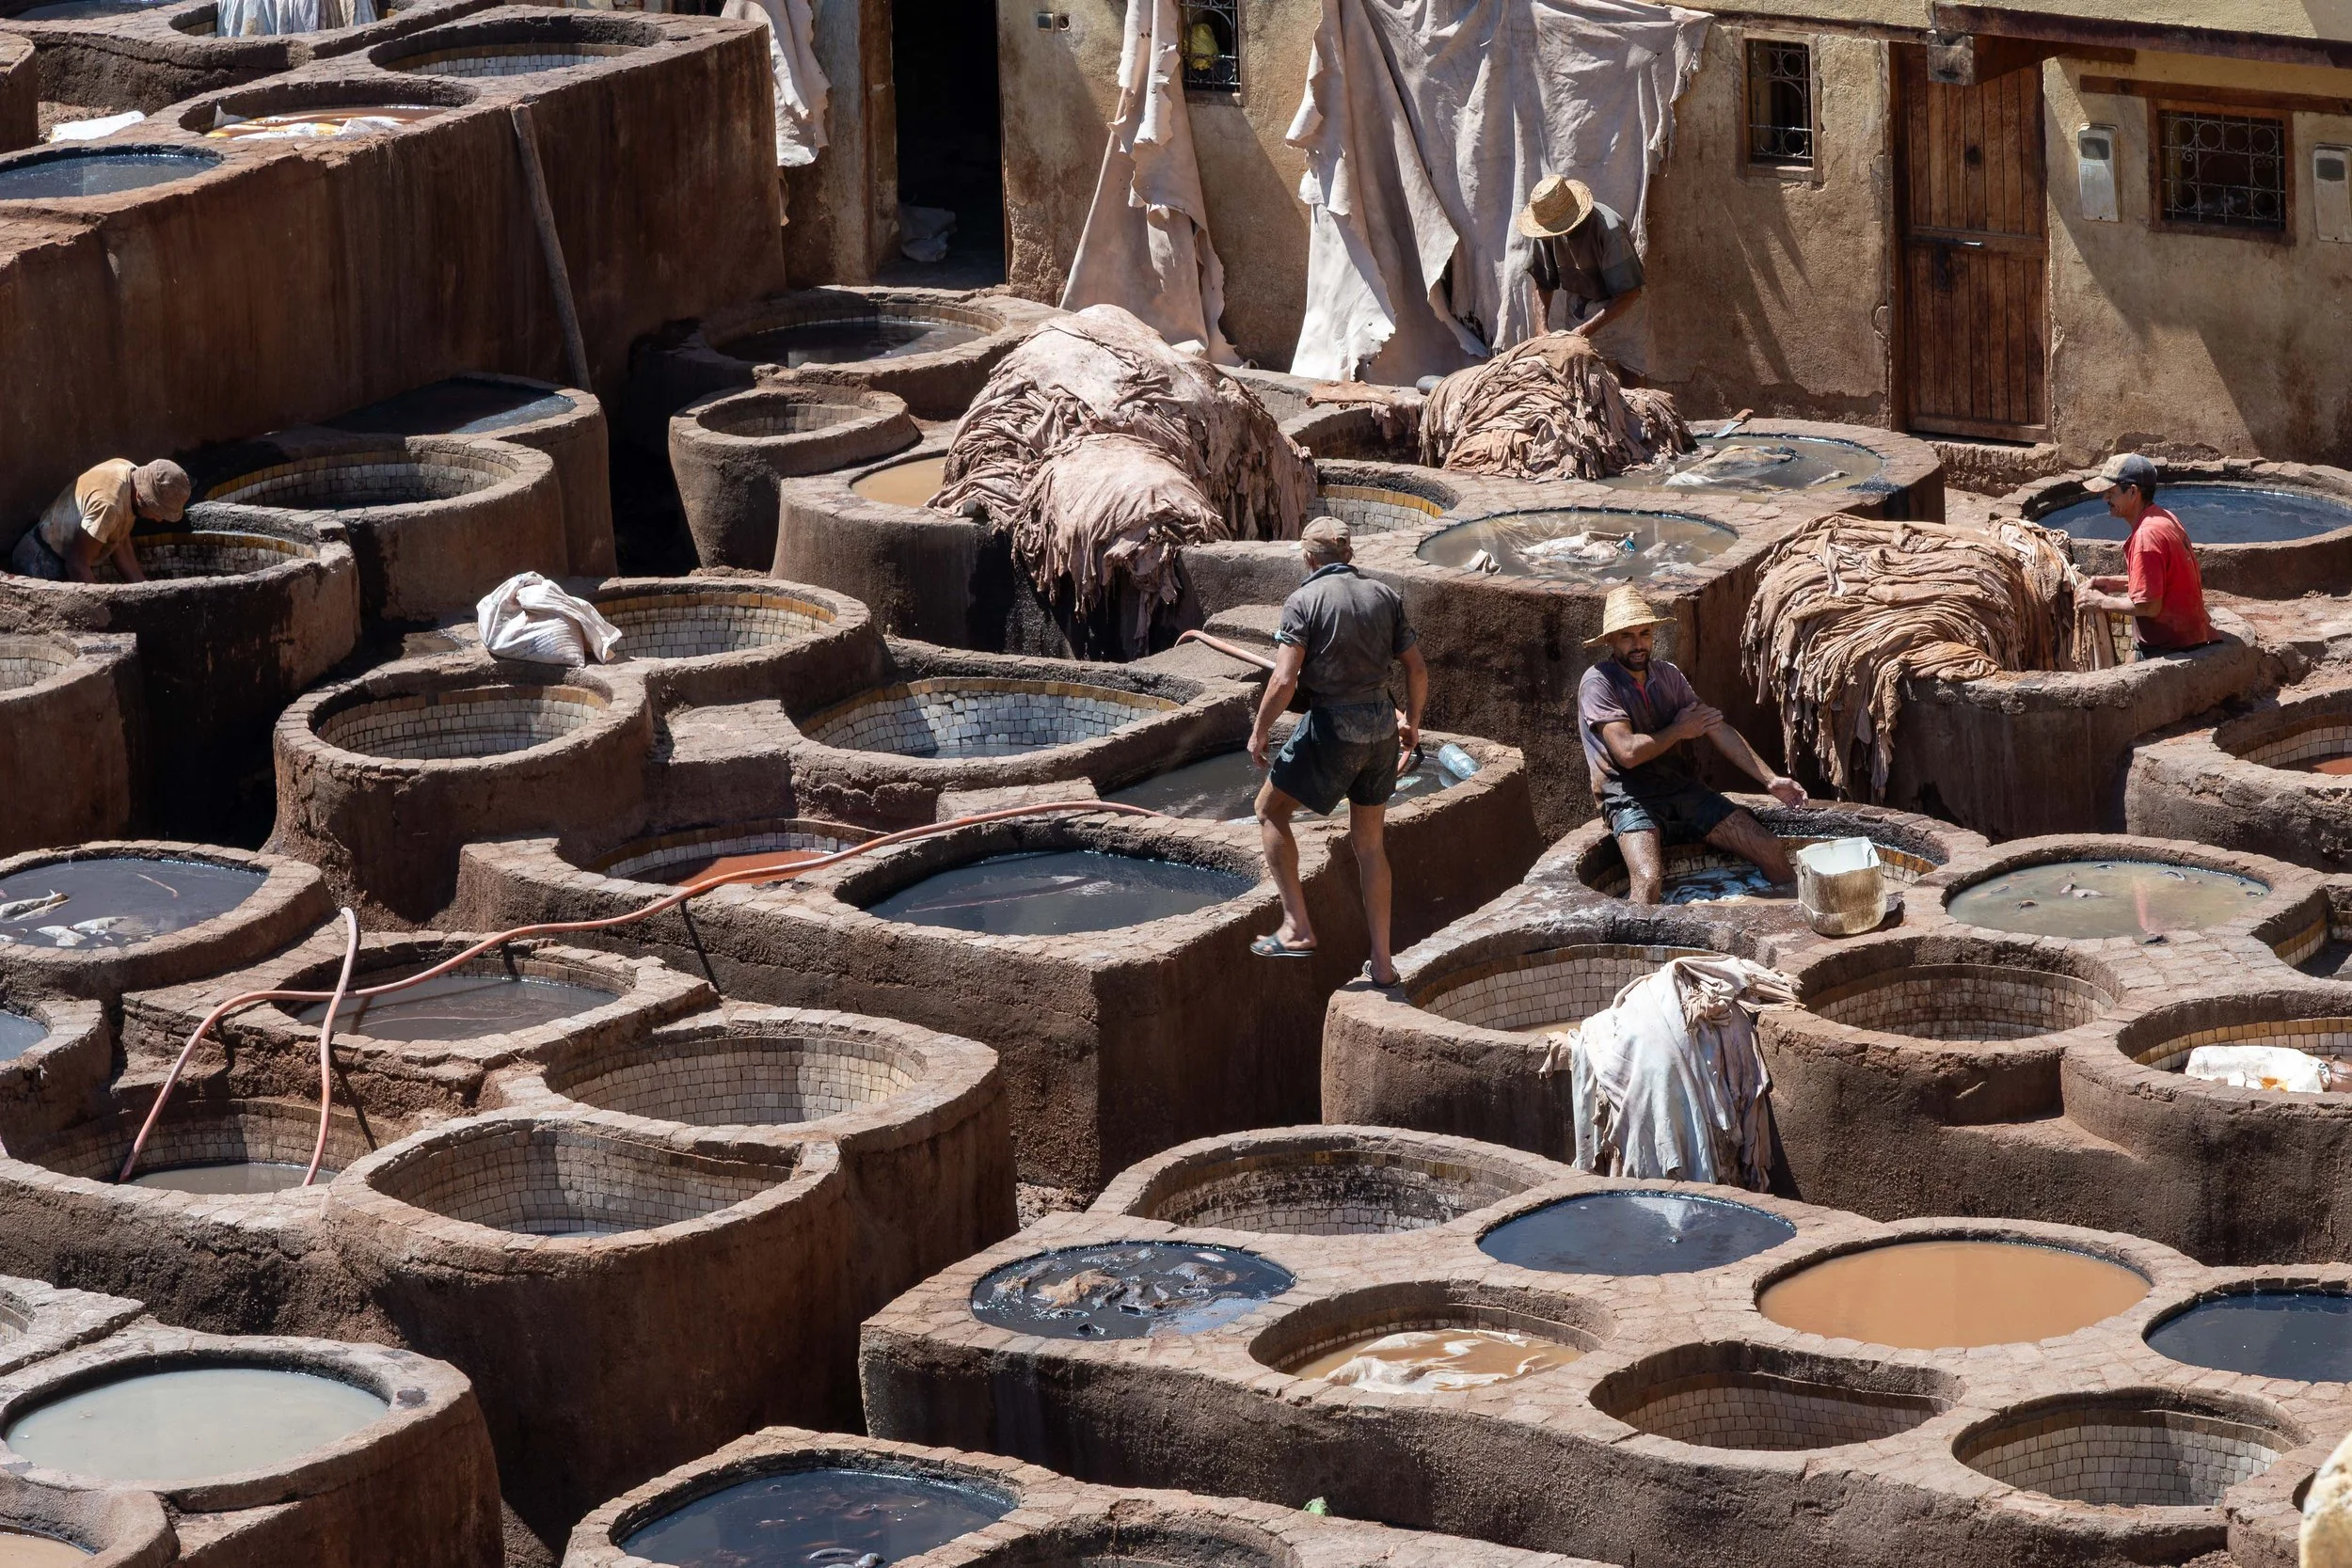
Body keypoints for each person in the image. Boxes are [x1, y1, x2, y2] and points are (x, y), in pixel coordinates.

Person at [1248, 517, 1429, 985]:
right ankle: (1384, 965)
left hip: (1334, 727)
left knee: (1268, 810)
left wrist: (1260, 729)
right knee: (1370, 846)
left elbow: (1285, 679)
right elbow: (1417, 670)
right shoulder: (1384, 596)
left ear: (1309, 558)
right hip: (1380, 728)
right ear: (1347, 555)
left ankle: (1296, 927)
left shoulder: (1302, 601)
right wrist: (1412, 723)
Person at [1579, 585, 1808, 905]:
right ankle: (1637, 949)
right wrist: (1678, 729)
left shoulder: (1668, 675)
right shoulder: (1598, 683)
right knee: (1647, 881)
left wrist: (1770, 780)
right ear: (1610, 641)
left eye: (1644, 634)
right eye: (1627, 636)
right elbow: (1627, 753)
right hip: (1628, 796)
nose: (1639, 644)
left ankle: (1792, 920)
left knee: (1769, 848)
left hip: (1680, 787)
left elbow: (1716, 729)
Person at [2078, 452, 2212, 655]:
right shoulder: (2164, 517)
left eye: (2111, 492)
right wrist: (2114, 583)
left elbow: (2149, 607)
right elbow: (2160, 582)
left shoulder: (2146, 536)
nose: (2105, 498)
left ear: (2133, 492)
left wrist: (2100, 602)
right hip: (2190, 636)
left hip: (2170, 650)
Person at [7, 459, 190, 583]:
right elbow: (76, 564)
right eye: (158, 511)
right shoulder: (108, 506)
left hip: (58, 554)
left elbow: (119, 540)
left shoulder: (130, 472)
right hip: (41, 557)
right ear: (142, 496)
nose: (158, 519)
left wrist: (144, 589)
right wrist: (103, 611)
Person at [1518, 174, 1645, 341]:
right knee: (1575, 363)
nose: (1556, 233)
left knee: (1625, 366)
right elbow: (1542, 281)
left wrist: (1583, 331)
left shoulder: (1609, 230)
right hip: (1579, 310)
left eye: (1560, 228)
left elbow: (1630, 293)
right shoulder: (1547, 229)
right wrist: (1542, 331)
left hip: (1620, 314)